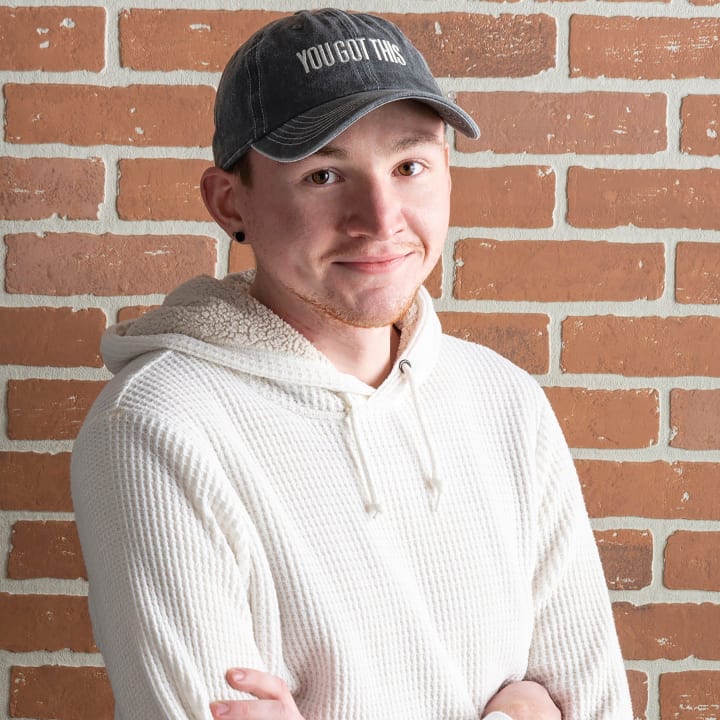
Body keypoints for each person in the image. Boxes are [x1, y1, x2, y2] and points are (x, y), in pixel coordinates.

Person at [71, 8, 633, 720]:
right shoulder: (157, 427)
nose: (381, 216)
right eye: (325, 173)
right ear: (228, 201)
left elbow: (601, 706)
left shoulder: (505, 402)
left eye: (409, 165)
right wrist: (523, 710)